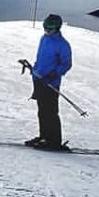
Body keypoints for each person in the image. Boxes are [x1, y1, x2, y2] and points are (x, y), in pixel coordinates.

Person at [27, 14, 72, 150]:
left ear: (57, 28)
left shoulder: (62, 45)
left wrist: (53, 74)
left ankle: (54, 141)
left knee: (50, 112)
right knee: (42, 111)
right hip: (39, 80)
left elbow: (66, 64)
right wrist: (35, 70)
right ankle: (44, 136)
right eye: (45, 27)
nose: (46, 30)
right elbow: (40, 58)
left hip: (51, 83)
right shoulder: (44, 39)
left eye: (50, 28)